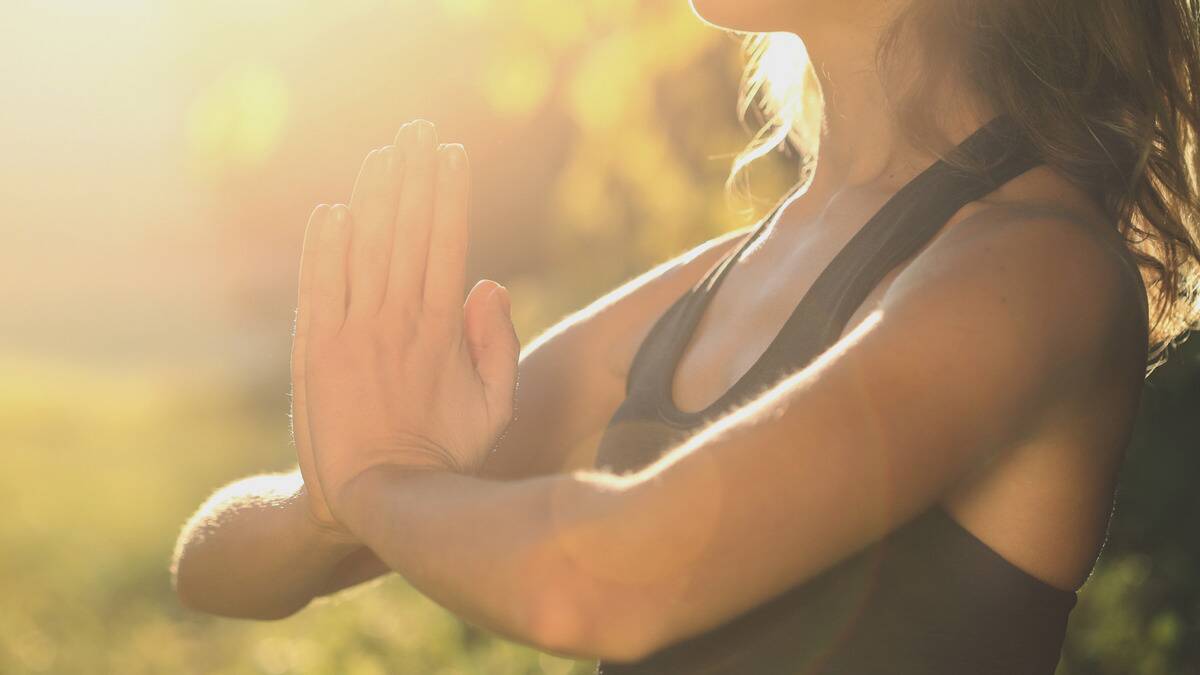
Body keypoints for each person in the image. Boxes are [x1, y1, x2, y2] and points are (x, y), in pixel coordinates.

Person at [171, 1, 1200, 673]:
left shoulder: (1038, 271)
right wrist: (338, 499)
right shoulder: (734, 273)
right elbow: (216, 567)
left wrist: (383, 485)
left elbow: (602, 582)